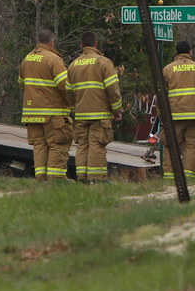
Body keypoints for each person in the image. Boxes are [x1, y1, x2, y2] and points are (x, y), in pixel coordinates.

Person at [66, 32, 123, 183]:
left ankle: (82, 178)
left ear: (81, 45)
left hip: (81, 115)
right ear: (96, 44)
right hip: (100, 114)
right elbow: (113, 90)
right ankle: (97, 179)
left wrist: (75, 108)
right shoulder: (104, 63)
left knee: (83, 145)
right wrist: (117, 111)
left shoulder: (73, 65)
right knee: (97, 144)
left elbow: (68, 92)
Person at [19, 29, 72, 181]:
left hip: (32, 114)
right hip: (52, 112)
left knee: (39, 145)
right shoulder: (53, 59)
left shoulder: (26, 59)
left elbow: (21, 84)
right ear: (52, 42)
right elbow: (65, 84)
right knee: (58, 144)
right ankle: (56, 179)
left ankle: (40, 177)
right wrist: (71, 102)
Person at [161, 41, 195, 182]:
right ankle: (189, 179)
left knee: (170, 146)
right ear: (190, 52)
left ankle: (169, 180)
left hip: (173, 116)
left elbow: (160, 97)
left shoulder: (167, 70)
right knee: (192, 147)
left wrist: (162, 116)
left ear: (177, 53)